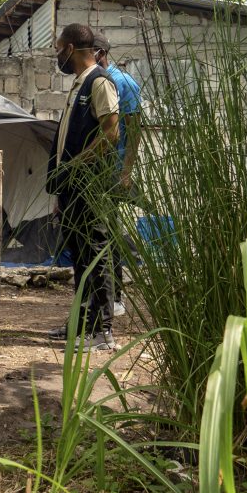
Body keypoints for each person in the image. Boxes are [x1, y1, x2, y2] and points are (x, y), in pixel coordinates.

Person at [44, 23, 121, 350]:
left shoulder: (99, 82)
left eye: (59, 48)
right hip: (71, 188)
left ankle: (102, 332)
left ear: (71, 48)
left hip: (91, 187)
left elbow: (111, 132)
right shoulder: (79, 84)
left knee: (96, 255)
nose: (58, 55)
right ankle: (80, 323)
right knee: (80, 257)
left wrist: (78, 165)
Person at [93, 33, 143, 318]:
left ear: (100, 53)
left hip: (112, 171)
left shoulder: (123, 82)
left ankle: (116, 297)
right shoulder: (94, 82)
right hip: (95, 171)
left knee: (110, 234)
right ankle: (101, 297)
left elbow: (134, 129)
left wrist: (126, 171)